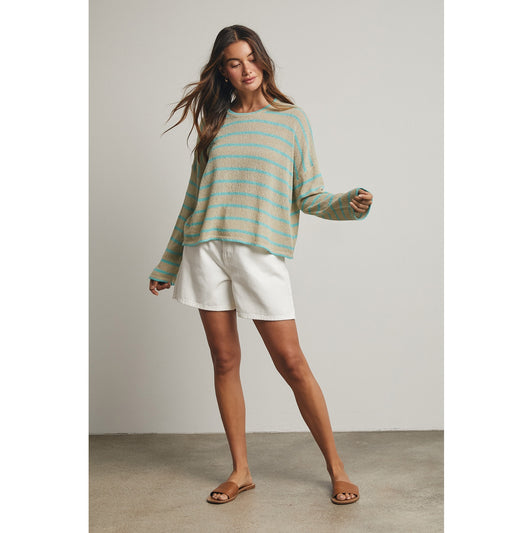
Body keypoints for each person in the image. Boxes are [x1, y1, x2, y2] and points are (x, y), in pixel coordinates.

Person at [148, 24, 373, 505]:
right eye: (234, 62)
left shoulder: (291, 121)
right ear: (223, 71)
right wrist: (167, 264)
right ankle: (241, 470)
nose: (246, 68)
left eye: (251, 58)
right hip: (206, 251)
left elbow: (309, 194)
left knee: (291, 362)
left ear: (263, 61)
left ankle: (337, 469)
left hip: (259, 251)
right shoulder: (215, 124)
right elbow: (193, 201)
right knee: (225, 361)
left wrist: (348, 203)